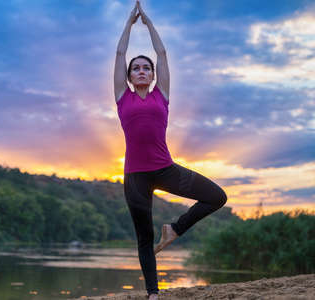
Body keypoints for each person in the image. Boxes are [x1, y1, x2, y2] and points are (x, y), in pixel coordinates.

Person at [114, 2, 227, 299]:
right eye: (136, 68)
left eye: (146, 68)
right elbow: (119, 54)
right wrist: (128, 23)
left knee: (217, 197)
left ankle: (175, 229)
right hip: (135, 177)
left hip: (165, 169)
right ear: (129, 76)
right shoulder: (122, 97)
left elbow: (162, 54)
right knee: (144, 237)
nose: (141, 70)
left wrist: (148, 23)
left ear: (153, 76)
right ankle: (153, 293)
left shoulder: (161, 96)